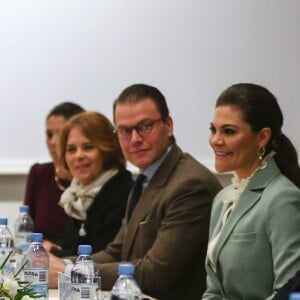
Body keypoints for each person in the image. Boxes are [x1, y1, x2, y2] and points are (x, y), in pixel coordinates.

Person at [49, 83, 222, 299]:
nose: (135, 139)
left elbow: (155, 273)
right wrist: (61, 263)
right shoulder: (145, 177)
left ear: (168, 125)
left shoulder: (190, 184)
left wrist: (70, 273)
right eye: (124, 130)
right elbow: (116, 251)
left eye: (145, 126)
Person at [202, 83, 300, 300]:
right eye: (213, 130)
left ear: (263, 137)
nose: (215, 140)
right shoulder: (222, 199)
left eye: (228, 131)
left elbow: (291, 294)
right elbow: (213, 291)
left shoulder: (283, 198)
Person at [45, 111, 133, 257]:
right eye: (71, 149)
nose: (79, 156)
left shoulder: (122, 192)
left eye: (88, 147)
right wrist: (53, 245)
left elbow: (101, 254)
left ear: (107, 150)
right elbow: (70, 242)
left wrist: (54, 252)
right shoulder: (79, 192)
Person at [24, 102, 85, 241]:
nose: (53, 142)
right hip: (40, 258)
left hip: (77, 259)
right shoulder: (39, 173)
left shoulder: (92, 180)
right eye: (49, 134)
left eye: (61, 134)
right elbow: (26, 230)